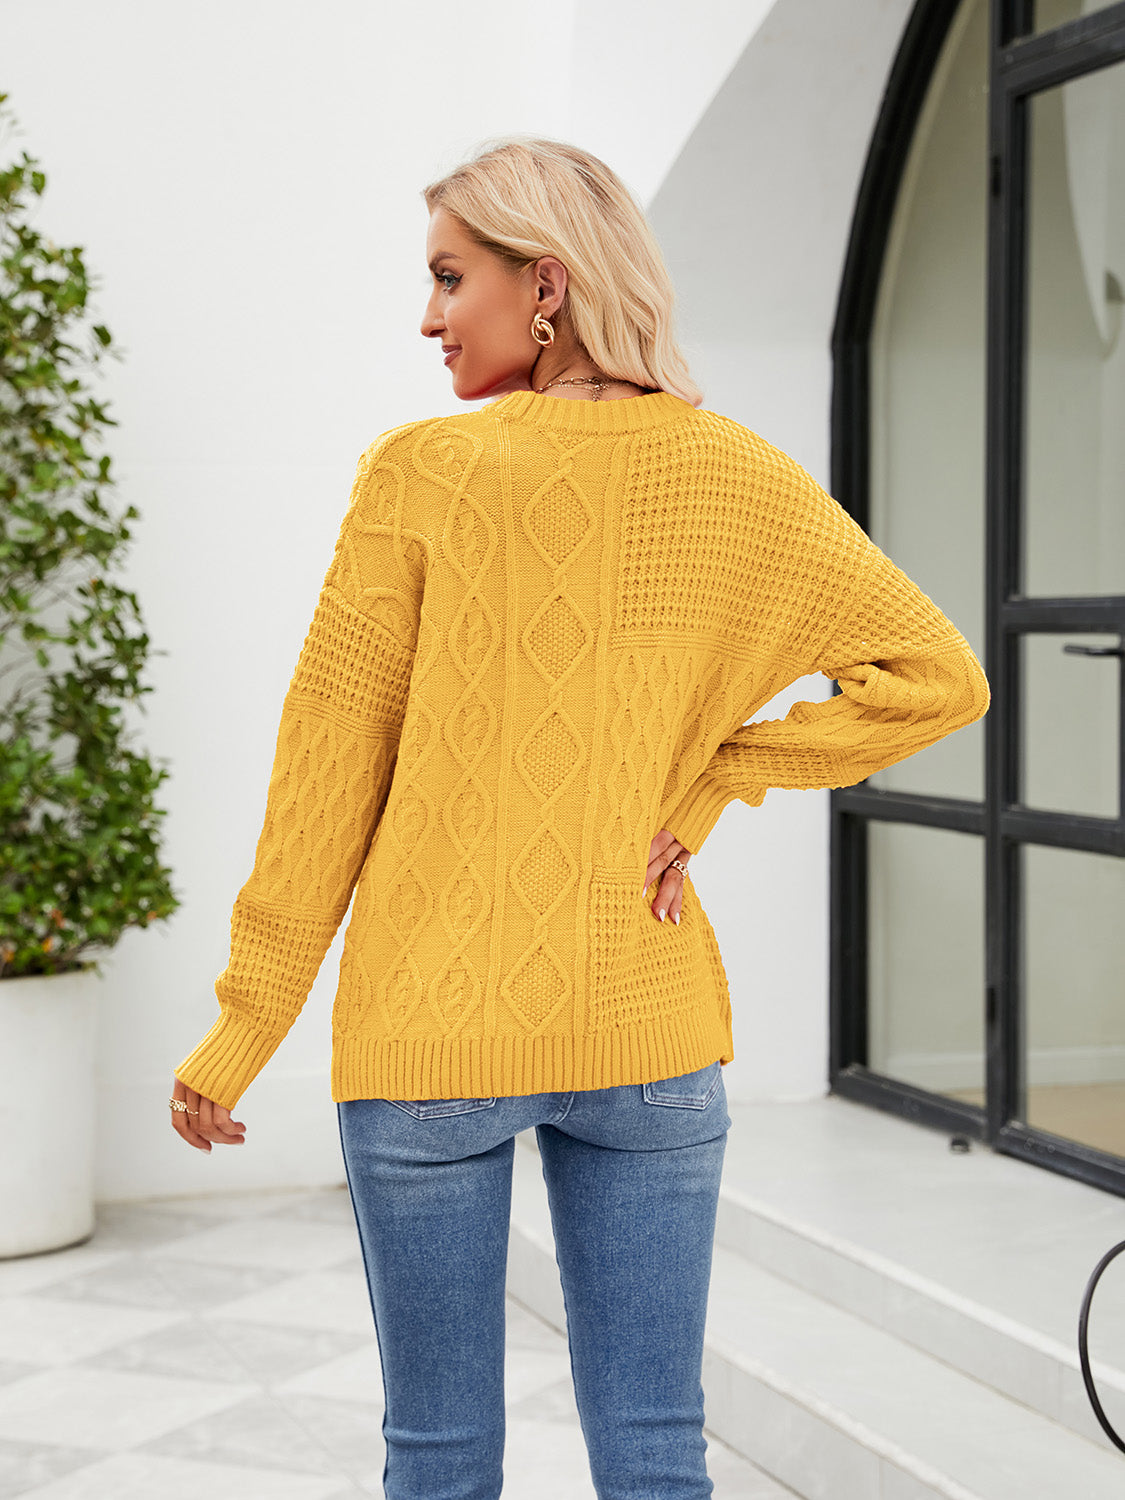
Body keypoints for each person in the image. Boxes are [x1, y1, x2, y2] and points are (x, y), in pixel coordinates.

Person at [169, 137, 990, 1499]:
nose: (427, 317)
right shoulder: (736, 475)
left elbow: (328, 766)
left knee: (439, 1457)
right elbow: (938, 678)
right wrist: (717, 776)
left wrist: (250, 1017)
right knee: (656, 1448)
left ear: (544, 286)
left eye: (450, 279)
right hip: (647, 1025)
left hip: (430, 1032)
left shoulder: (421, 474)